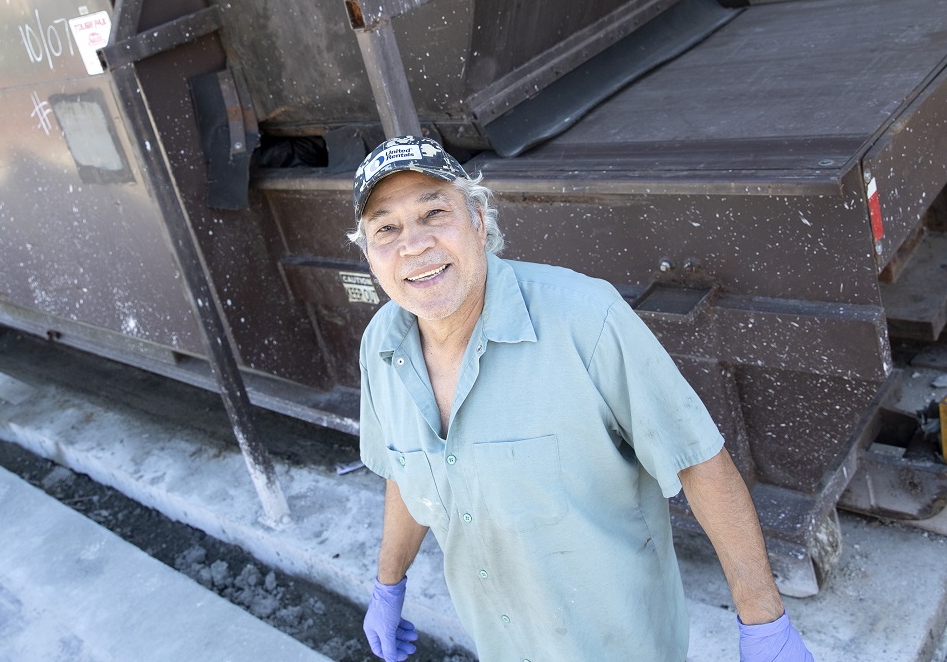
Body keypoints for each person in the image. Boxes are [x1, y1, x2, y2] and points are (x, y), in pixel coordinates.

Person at [348, 135, 815, 662]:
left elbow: (699, 462)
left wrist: (763, 622)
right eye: (386, 228)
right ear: (368, 255)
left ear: (478, 221)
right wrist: (388, 585)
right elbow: (403, 473)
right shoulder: (381, 346)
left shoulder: (586, 318)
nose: (413, 244)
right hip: (504, 645)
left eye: (434, 212)